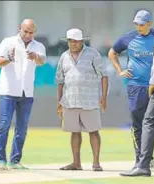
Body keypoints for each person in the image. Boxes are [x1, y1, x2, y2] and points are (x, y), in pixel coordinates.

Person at [108, 10, 154, 173]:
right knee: (138, 124)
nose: (139, 27)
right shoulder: (128, 37)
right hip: (136, 86)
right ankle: (141, 162)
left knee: (150, 124)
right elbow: (112, 53)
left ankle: (147, 161)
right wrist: (120, 70)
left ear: (149, 23)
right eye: (136, 24)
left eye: (142, 24)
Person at [0, 19, 46, 170]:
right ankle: (1, 160)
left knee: (22, 128)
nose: (29, 35)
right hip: (8, 90)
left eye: (31, 32)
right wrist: (9, 59)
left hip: (27, 92)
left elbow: (42, 61)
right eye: (26, 32)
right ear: (20, 29)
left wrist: (35, 57)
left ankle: (15, 161)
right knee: (4, 126)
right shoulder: (8, 42)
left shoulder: (38, 46)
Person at [56, 28, 108, 171]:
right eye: (70, 41)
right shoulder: (64, 56)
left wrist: (103, 97)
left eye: (76, 41)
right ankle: (76, 163)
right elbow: (60, 81)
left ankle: (96, 163)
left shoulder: (93, 54)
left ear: (81, 41)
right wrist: (59, 102)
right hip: (69, 100)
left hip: (90, 100)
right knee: (74, 132)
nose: (73, 44)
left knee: (93, 131)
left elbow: (103, 75)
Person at [121, 47, 154, 177]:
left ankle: (143, 165)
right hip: (141, 86)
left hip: (152, 88)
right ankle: (143, 164)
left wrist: (152, 85)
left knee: (148, 123)